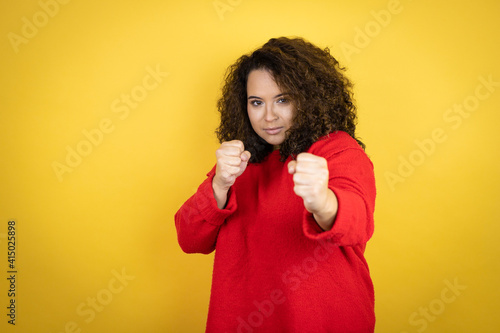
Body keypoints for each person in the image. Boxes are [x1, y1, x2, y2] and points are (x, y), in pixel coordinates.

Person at [175, 36, 376, 332]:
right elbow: (189, 238)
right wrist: (219, 185)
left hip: (321, 322)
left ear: (309, 98)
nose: (268, 116)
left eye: (283, 99)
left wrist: (322, 201)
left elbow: (358, 224)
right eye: (256, 102)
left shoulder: (338, 151)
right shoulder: (241, 160)